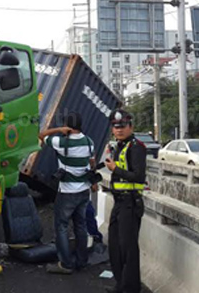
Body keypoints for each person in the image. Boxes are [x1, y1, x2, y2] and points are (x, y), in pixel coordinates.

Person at [39, 112, 95, 274]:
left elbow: (41, 135)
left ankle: (65, 264)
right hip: (84, 190)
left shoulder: (61, 142)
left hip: (67, 192)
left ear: (67, 126)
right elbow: (92, 162)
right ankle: (82, 261)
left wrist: (58, 129)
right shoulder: (89, 142)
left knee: (62, 226)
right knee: (80, 226)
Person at [105, 109, 146, 293]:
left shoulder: (136, 147)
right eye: (115, 127)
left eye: (122, 127)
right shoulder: (119, 146)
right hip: (119, 203)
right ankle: (120, 284)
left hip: (130, 204)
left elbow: (138, 176)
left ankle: (130, 289)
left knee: (128, 250)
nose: (119, 130)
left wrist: (115, 169)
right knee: (115, 246)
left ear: (131, 127)